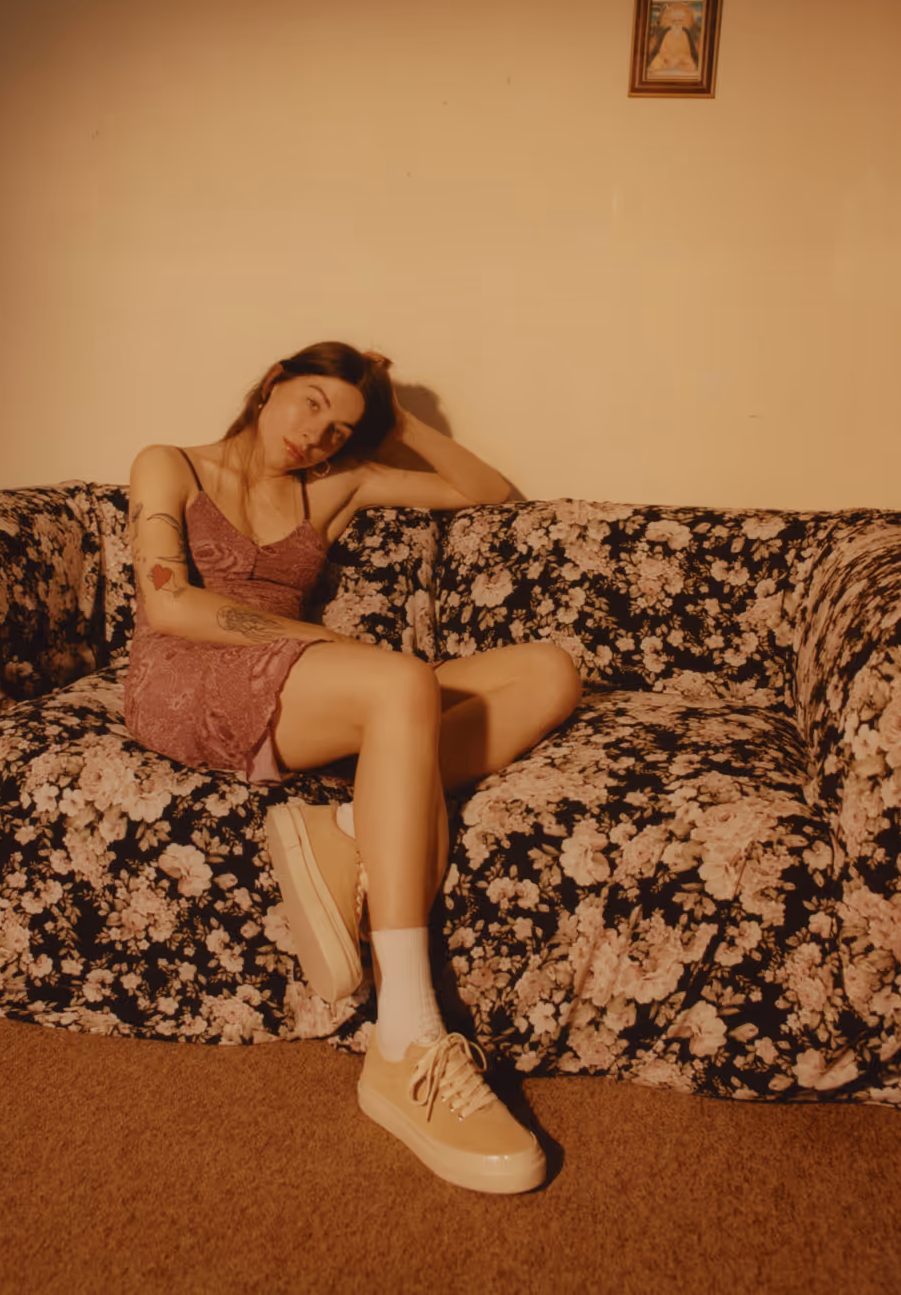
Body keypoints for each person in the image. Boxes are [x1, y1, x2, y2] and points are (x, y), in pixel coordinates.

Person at [124, 341, 582, 1193]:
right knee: (401, 681)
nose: (316, 435)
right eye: (310, 404)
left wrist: (399, 420)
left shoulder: (332, 488)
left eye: (339, 428)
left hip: (304, 682)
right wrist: (325, 641)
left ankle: (347, 823)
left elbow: (488, 492)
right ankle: (406, 1033)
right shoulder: (170, 464)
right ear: (271, 384)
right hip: (186, 677)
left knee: (549, 672)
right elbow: (168, 600)